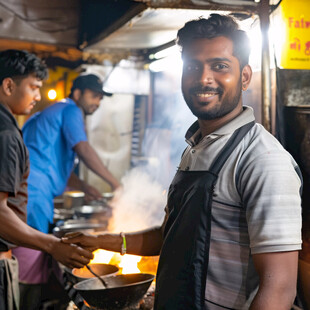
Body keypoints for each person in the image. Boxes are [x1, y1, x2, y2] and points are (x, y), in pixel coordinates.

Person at [63, 14, 302, 310]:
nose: (203, 78)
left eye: (219, 66)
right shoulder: (195, 148)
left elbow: (278, 289)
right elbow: (173, 235)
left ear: (244, 76)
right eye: (192, 66)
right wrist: (105, 241)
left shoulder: (264, 160)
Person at [12, 73, 121, 309]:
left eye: (101, 98)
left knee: (25, 251)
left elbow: (50, 161)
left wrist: (84, 186)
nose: (97, 102)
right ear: (78, 94)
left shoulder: (45, 114)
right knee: (31, 255)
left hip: (26, 192)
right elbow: (82, 148)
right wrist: (116, 184)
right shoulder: (71, 111)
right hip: (36, 196)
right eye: (94, 96)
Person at [0, 49, 93, 310]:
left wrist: (85, 186)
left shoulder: (16, 124)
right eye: (33, 87)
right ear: (8, 85)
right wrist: (53, 245)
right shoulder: (6, 134)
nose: (38, 96)